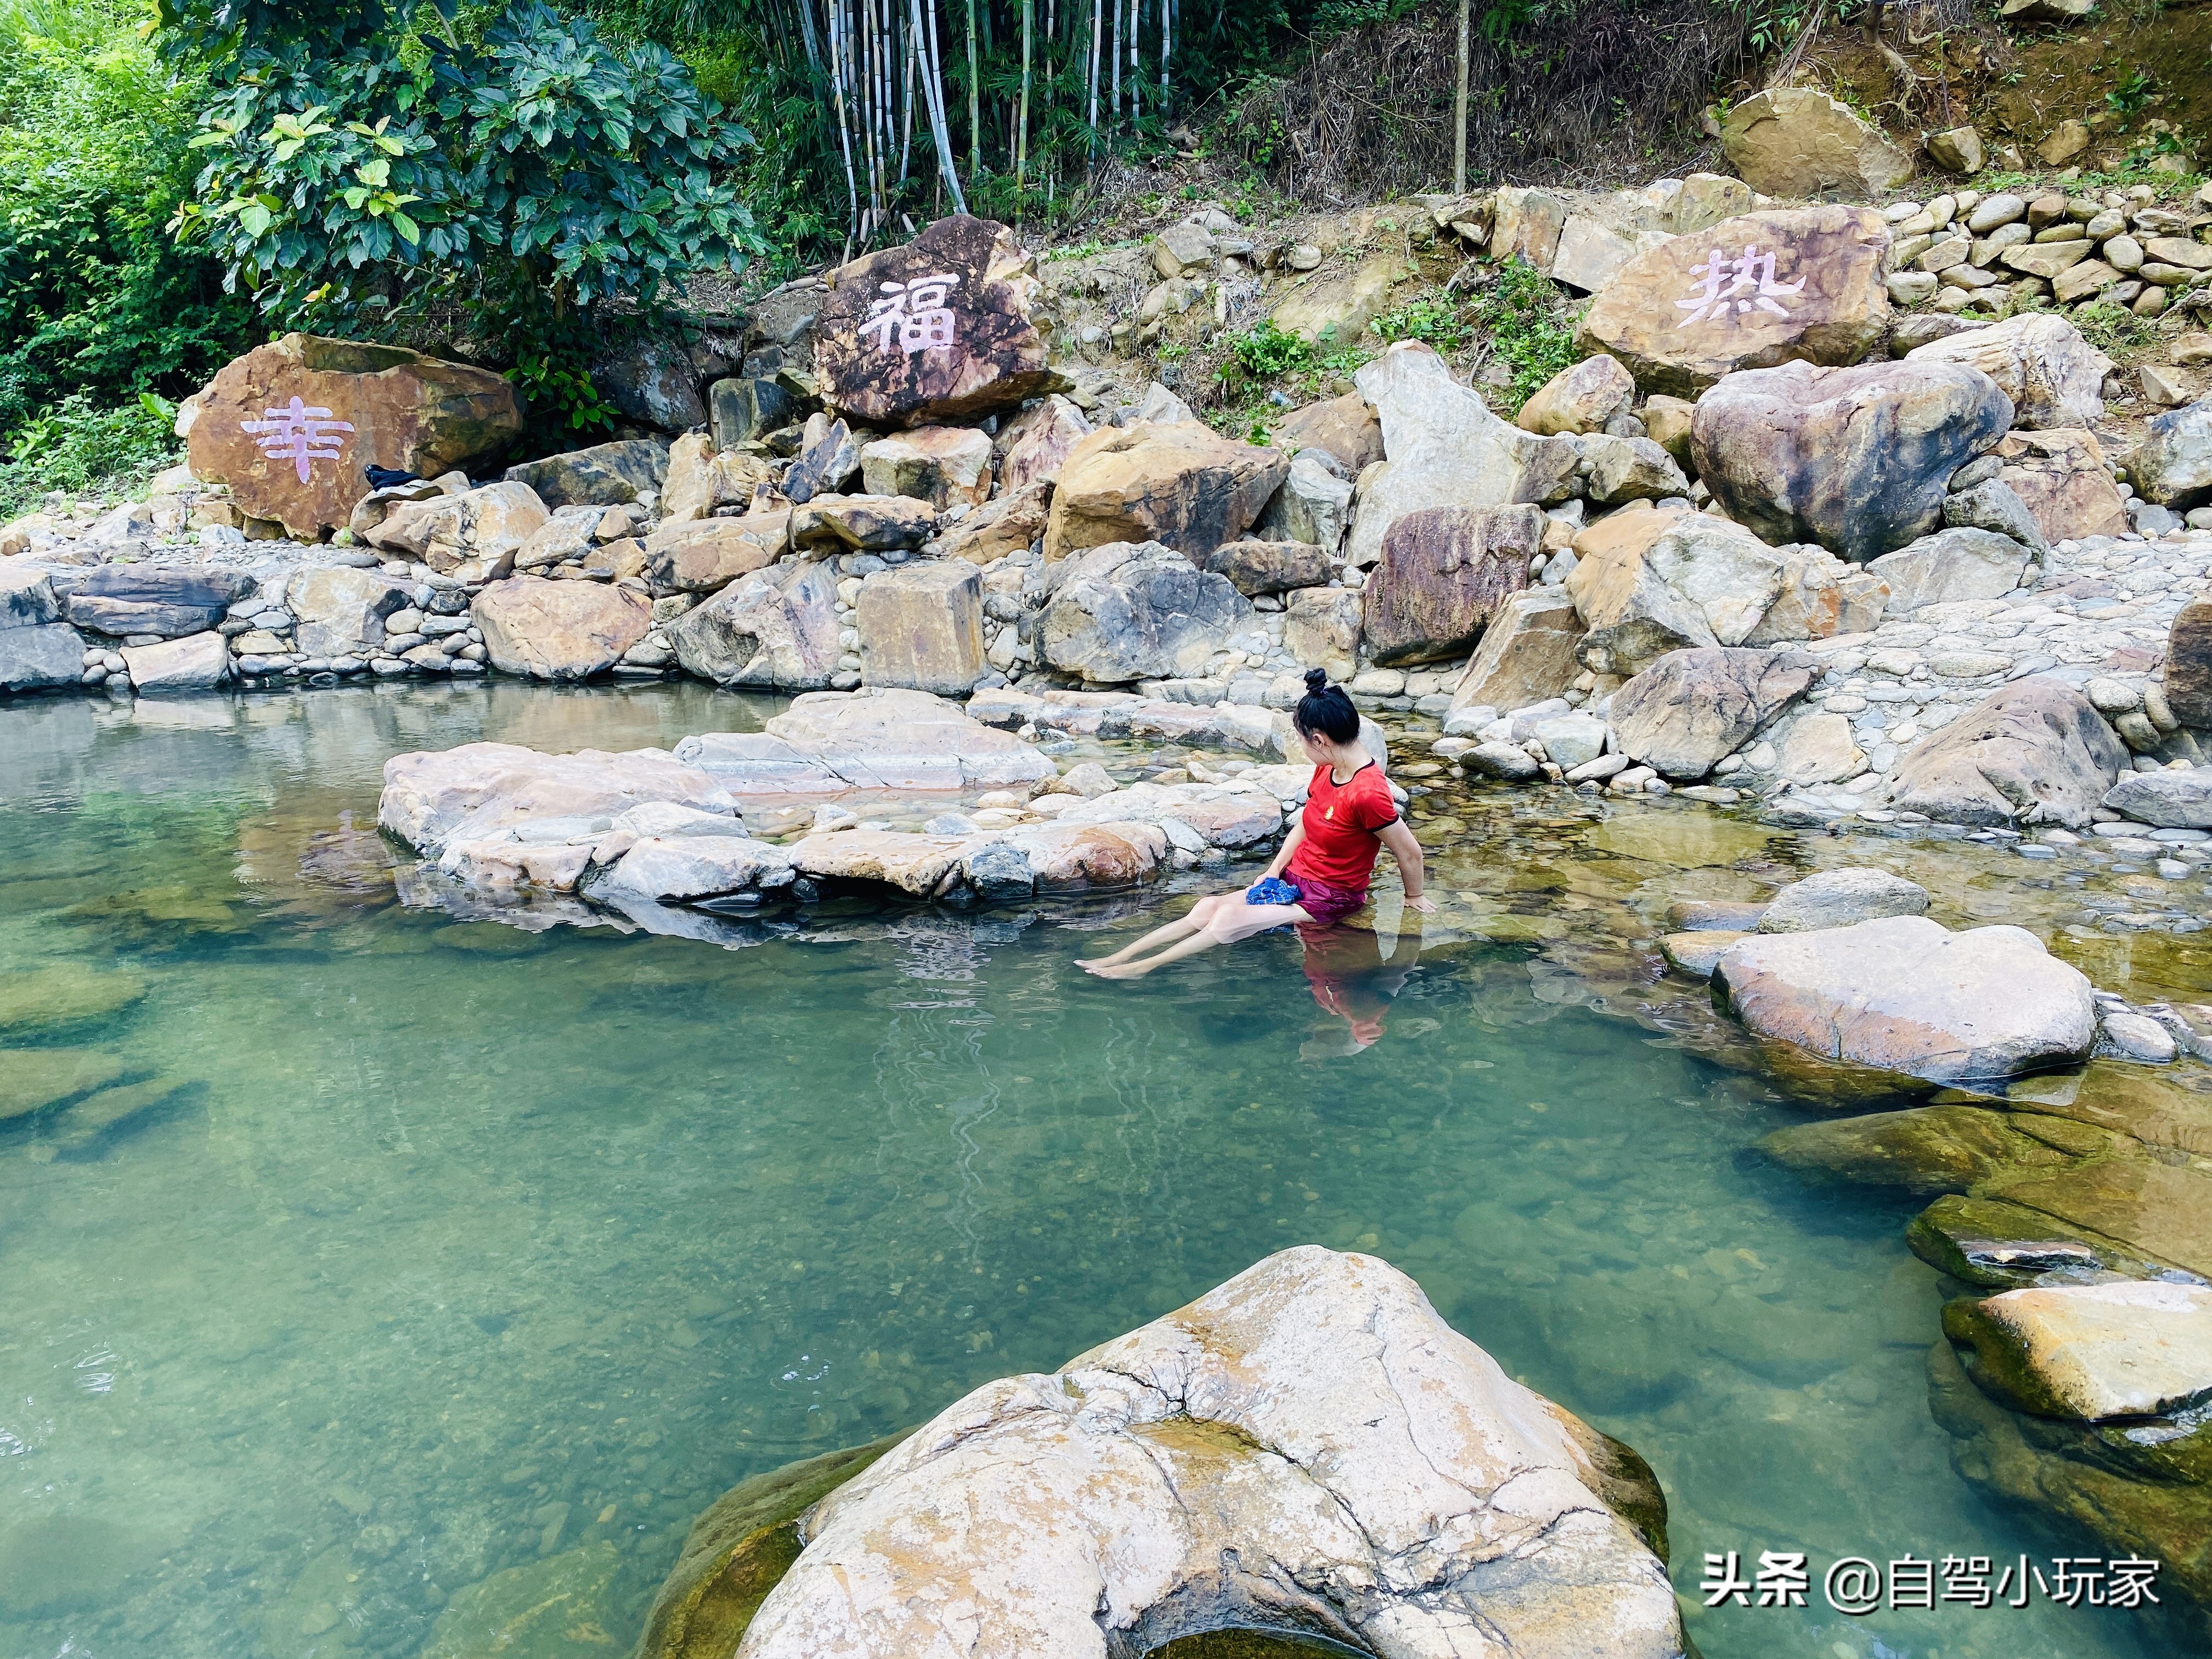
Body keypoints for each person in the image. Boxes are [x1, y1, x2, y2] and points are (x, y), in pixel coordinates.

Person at [1076, 669, 1435, 979]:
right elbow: (1307, 824)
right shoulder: (1328, 768)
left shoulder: (1367, 793)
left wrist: (1413, 897)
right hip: (1295, 882)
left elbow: (1409, 852)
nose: (1301, 746)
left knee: (1229, 919)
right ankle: (1119, 957)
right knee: (1207, 908)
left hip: (1331, 899)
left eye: (1300, 739)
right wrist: (1273, 870)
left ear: (1319, 740)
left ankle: (1143, 968)